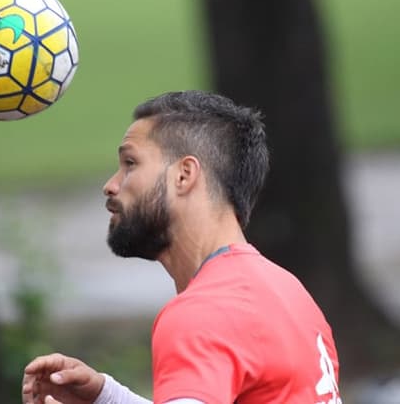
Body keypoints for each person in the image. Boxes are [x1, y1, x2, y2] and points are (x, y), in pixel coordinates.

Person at [22, 90, 342, 404]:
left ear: (184, 175)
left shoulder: (204, 313)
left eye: (130, 163)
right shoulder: (288, 292)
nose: (111, 185)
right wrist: (107, 398)